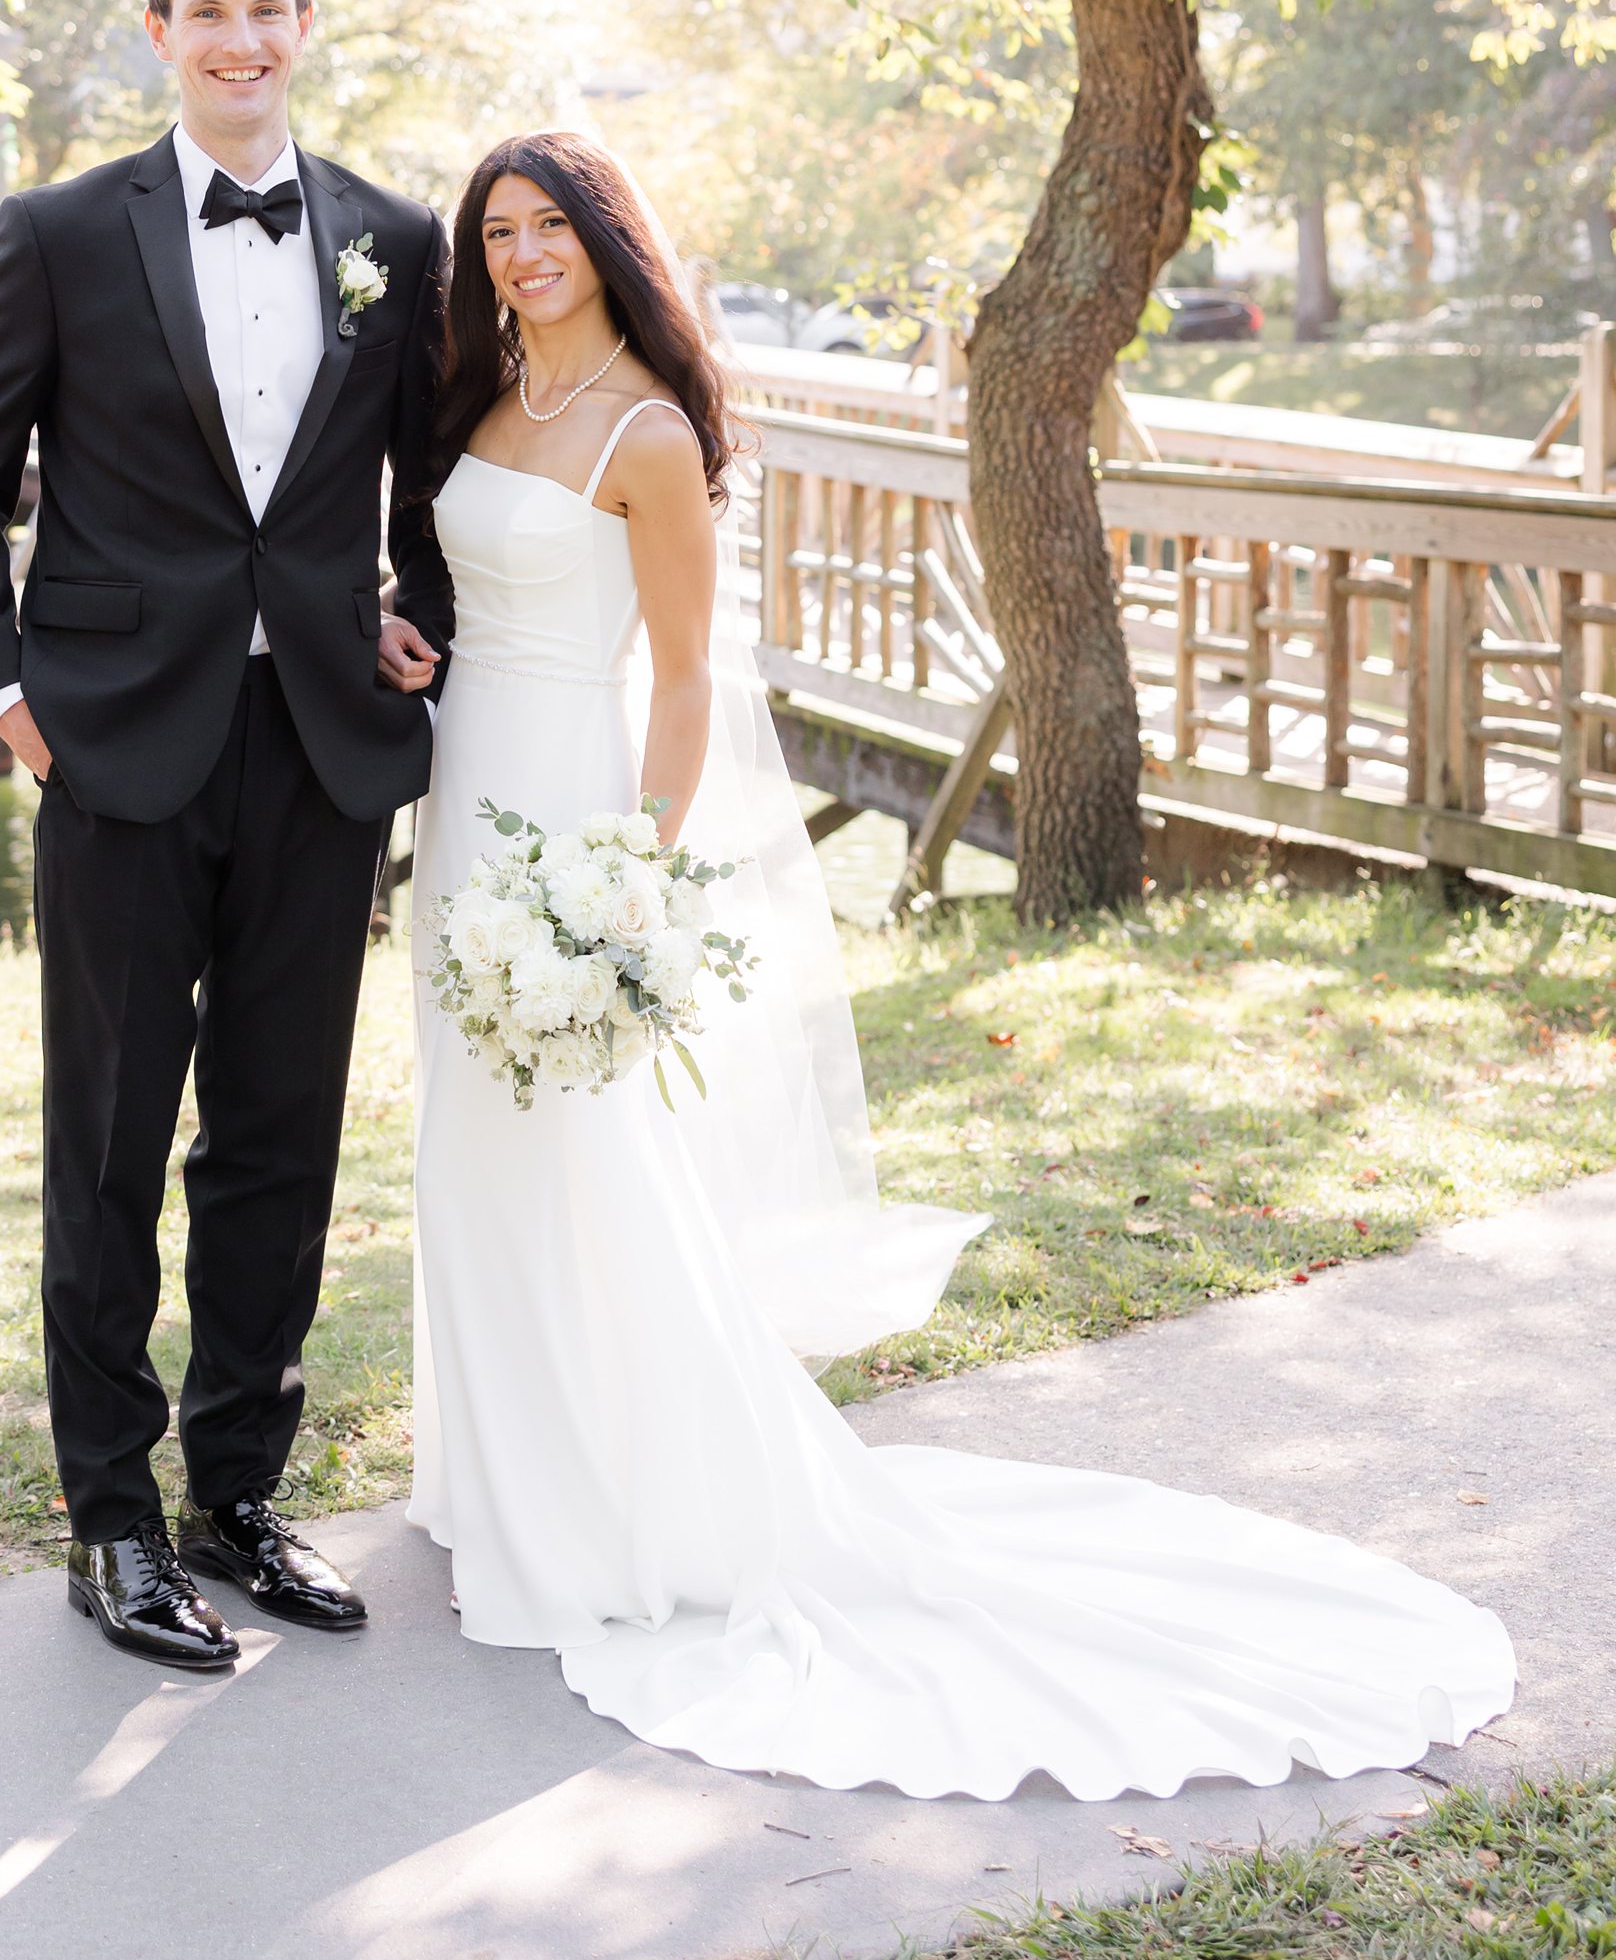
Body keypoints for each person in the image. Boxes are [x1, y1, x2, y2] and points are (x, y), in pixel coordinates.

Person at [409, 131, 1514, 1798]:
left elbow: (693, 679)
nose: (523, 254)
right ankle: (494, 1477)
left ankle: (622, 1504)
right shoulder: (483, 402)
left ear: (609, 244)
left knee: (590, 1151)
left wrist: (629, 876)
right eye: (499, 231)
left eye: (551, 227)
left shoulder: (642, 427)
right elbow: (456, 580)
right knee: (473, 1140)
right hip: (465, 787)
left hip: (573, 808)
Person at [0, 0, 452, 1671]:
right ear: (161, 32)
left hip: (315, 752)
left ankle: (239, 1489)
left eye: (267, 9)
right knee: (114, 1138)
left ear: (307, 25)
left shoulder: (393, 236)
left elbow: (432, 484)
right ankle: (114, 1523)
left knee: (282, 1135)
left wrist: (414, 625)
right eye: (206, 11)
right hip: (118, 746)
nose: (239, 40)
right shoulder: (63, 231)